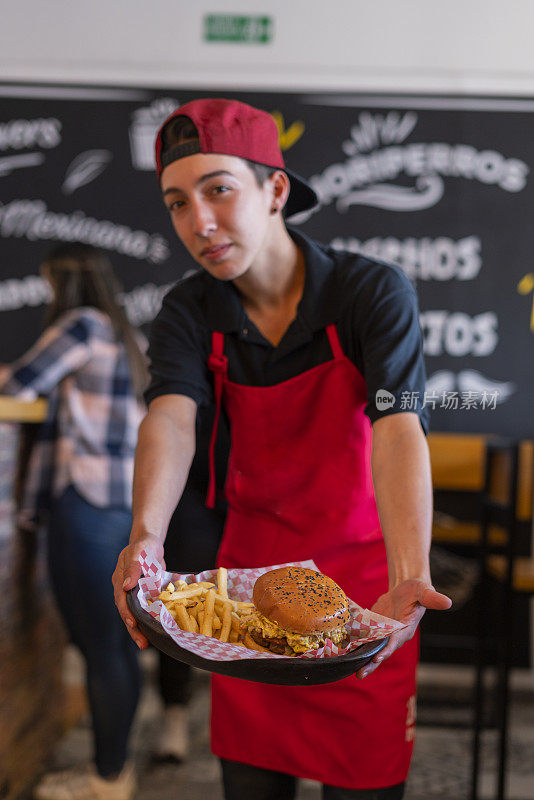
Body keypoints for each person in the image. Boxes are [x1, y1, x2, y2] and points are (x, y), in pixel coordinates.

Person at [112, 98, 452, 800]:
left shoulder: (369, 293)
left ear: (275, 190)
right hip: (249, 599)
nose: (198, 223)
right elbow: (171, 418)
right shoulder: (190, 310)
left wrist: (408, 571)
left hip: (370, 593)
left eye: (219, 190)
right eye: (177, 203)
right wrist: (145, 537)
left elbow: (397, 426)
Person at [0, 243, 147, 800]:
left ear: (60, 281)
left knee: (100, 647)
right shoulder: (127, 333)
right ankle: (115, 771)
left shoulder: (82, 324)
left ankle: (107, 781)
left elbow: (16, 386)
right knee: (113, 644)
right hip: (121, 507)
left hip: (86, 504)